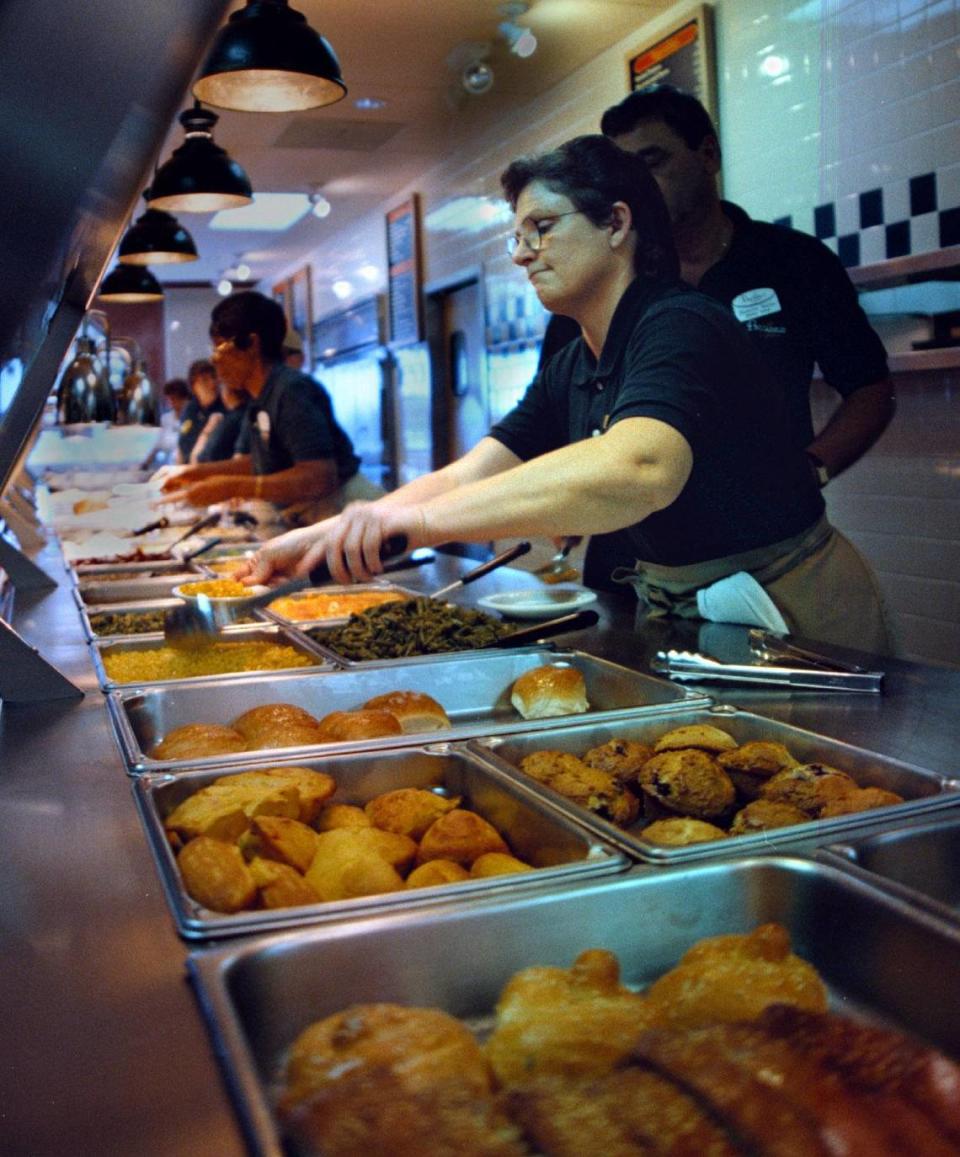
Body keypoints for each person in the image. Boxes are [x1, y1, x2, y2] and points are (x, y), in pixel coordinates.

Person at [241, 135, 890, 653]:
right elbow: (474, 470)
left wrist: (415, 526)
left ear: (616, 223)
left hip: (794, 614)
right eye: (517, 236)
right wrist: (320, 536)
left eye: (542, 227)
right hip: (691, 613)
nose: (523, 254)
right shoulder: (575, 360)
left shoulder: (677, 321)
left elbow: (640, 465)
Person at [543, 85, 896, 591]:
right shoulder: (594, 285)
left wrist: (812, 468)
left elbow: (870, 389)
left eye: (654, 161)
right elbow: (552, 420)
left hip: (764, 555)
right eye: (627, 173)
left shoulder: (793, 263)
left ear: (707, 154)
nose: (640, 185)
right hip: (632, 557)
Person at [159, 291, 382, 517]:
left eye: (219, 348)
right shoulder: (260, 398)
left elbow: (319, 476)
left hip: (350, 513)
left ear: (252, 344)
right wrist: (192, 473)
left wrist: (234, 487)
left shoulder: (290, 390)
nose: (215, 361)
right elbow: (260, 463)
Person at [176, 358, 224, 465]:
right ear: (194, 387)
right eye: (205, 380)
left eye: (214, 377)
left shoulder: (224, 408)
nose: (212, 384)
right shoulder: (191, 408)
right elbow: (181, 446)